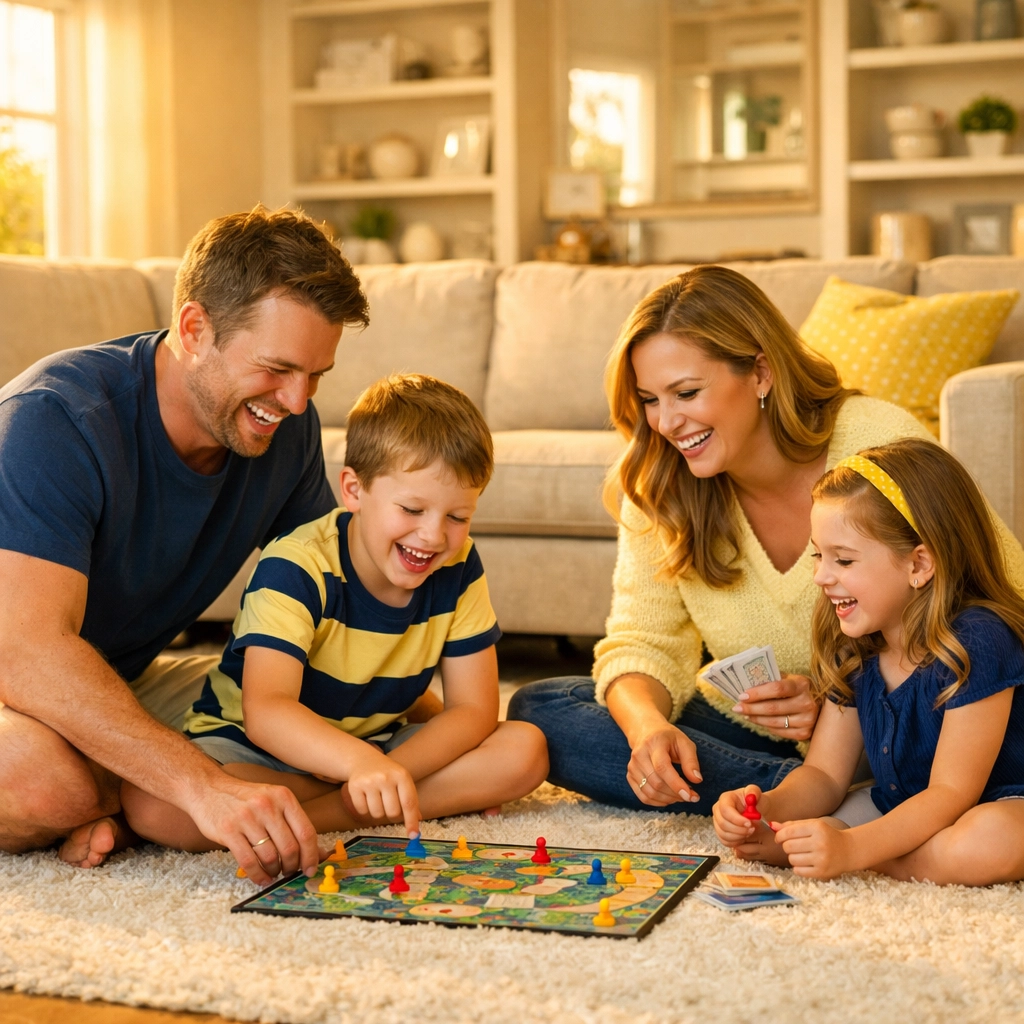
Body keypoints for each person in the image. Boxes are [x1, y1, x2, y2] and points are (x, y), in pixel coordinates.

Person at [508, 265, 1024, 815]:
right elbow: (643, 641)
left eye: (686, 392)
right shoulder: (658, 484)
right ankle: (804, 791)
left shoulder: (874, 442)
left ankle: (840, 785)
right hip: (760, 735)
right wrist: (648, 732)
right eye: (650, 400)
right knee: (544, 706)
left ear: (760, 373)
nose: (666, 422)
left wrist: (835, 706)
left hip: (909, 722)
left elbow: (995, 594)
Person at [0, 206, 370, 884]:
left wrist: (426, 713)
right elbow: (25, 654)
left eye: (316, 375)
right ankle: (129, 799)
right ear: (196, 330)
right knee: (48, 783)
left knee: (326, 706)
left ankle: (129, 799)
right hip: (18, 672)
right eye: (278, 368)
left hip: (116, 680)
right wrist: (200, 784)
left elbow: (333, 604)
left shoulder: (286, 430)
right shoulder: (55, 420)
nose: (296, 400)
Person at [121, 374, 549, 850]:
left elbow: (473, 710)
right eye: (411, 509)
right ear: (354, 491)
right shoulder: (296, 564)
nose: (433, 536)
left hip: (375, 748)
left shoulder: (459, 562)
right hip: (255, 750)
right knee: (152, 804)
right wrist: (362, 770)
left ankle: (334, 811)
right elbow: (267, 712)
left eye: (457, 517)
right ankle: (379, 803)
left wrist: (384, 771)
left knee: (525, 750)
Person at [713, 440, 1024, 886]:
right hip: (900, 805)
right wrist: (765, 806)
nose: (821, 576)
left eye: (843, 559)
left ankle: (879, 858)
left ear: (919, 564)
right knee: (773, 837)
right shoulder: (856, 643)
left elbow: (952, 794)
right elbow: (823, 774)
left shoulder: (978, 638)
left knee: (989, 843)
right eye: (818, 555)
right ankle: (872, 848)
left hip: (1000, 801)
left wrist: (852, 849)